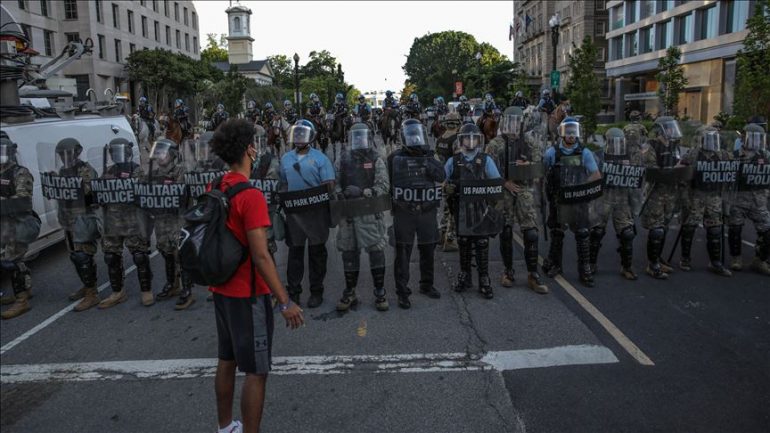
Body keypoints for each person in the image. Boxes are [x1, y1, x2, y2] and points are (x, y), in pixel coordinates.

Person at [207, 118, 304, 433]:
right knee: (256, 372)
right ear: (250, 150)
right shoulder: (251, 196)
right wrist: (285, 301)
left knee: (226, 359)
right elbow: (261, 256)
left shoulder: (217, 185)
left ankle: (225, 427)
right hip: (248, 295)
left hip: (221, 290)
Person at [485, 107, 549, 293]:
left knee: (531, 233)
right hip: (503, 191)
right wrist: (504, 182)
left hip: (524, 189)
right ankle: (508, 271)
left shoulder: (529, 142)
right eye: (510, 121)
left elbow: (540, 166)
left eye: (516, 122)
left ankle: (533, 274)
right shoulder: (495, 144)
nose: (513, 126)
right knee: (505, 231)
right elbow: (487, 169)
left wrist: (528, 165)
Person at [388, 119, 446, 308]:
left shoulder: (430, 156)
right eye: (411, 136)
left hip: (427, 209)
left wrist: (428, 161)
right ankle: (402, 291)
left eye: (417, 136)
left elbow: (441, 176)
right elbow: (388, 183)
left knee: (428, 248)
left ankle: (426, 284)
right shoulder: (394, 157)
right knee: (403, 252)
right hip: (404, 211)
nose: (415, 140)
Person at [334, 123, 390, 312]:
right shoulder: (342, 159)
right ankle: (350, 291)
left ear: (368, 138)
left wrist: (363, 192)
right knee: (349, 253)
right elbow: (334, 182)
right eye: (355, 137)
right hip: (348, 214)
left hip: (370, 213)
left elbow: (383, 186)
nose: (359, 140)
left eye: (362, 136)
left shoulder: (376, 159)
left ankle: (380, 291)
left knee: (376, 251)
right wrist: (340, 193)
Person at [279, 119, 336, 308]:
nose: (299, 137)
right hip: (294, 214)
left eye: (302, 134)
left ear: (311, 137)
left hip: (316, 213)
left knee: (316, 253)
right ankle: (294, 292)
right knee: (295, 254)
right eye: (296, 134)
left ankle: (316, 291)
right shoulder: (286, 159)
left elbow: (329, 185)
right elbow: (283, 183)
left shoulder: (321, 159)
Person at [542, 117, 602, 287]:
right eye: (567, 131)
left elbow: (595, 175)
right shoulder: (552, 153)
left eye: (573, 132)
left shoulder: (585, 153)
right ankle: (555, 264)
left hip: (578, 201)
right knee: (557, 233)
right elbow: (544, 173)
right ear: (562, 133)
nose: (571, 135)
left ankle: (585, 270)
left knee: (582, 233)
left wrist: (581, 188)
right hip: (559, 201)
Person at [96, 138, 155, 309]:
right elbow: (98, 196)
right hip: (112, 221)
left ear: (128, 153)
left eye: (119, 152)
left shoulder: (136, 171)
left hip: (132, 220)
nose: (117, 155)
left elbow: (144, 195)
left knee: (140, 256)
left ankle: (146, 290)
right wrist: (101, 184)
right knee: (111, 256)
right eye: (114, 152)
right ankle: (117, 292)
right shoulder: (107, 171)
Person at [445, 123, 502, 299]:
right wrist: (447, 188)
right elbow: (442, 182)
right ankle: (465, 275)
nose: (470, 141)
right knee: (463, 242)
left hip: (480, 209)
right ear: (460, 140)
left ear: (479, 140)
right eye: (467, 138)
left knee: (482, 242)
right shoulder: (453, 161)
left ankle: (484, 278)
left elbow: (496, 182)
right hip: (461, 209)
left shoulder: (486, 160)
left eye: (474, 138)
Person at [52, 138, 102, 311]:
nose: (63, 157)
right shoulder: (63, 170)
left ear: (77, 152)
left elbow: (88, 192)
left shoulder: (85, 169)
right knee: (75, 256)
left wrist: (70, 185)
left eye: (66, 153)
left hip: (83, 218)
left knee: (83, 256)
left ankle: (92, 294)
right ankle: (87, 285)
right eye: (61, 154)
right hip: (68, 219)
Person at [677, 126, 733, 276]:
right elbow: (681, 172)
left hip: (714, 196)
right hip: (696, 196)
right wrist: (684, 197)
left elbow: (731, 174)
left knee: (715, 229)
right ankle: (685, 258)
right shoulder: (693, 154)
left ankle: (715, 262)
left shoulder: (723, 155)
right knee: (689, 227)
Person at [589, 128, 642, 281]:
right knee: (596, 232)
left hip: (622, 198)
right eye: (612, 141)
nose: (615, 144)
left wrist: (635, 203)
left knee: (627, 233)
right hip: (603, 197)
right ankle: (591, 264)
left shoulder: (628, 157)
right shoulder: (599, 156)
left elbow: (636, 180)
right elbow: (591, 175)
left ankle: (627, 266)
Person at [641, 116, 687, 279]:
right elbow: (652, 172)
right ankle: (652, 265)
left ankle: (658, 259)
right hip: (656, 194)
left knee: (664, 227)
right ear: (660, 130)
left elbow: (679, 164)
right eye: (668, 127)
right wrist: (675, 169)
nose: (671, 130)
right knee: (657, 229)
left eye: (672, 127)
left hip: (671, 193)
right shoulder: (651, 146)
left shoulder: (674, 146)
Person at [0, 135, 41, 319]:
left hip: (19, 224)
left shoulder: (20, 173)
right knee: (13, 259)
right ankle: (26, 289)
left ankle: (22, 300)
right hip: (4, 225)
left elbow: (22, 202)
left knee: (12, 261)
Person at [144, 139, 188, 302]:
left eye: (164, 153)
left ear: (173, 155)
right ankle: (172, 284)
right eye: (158, 152)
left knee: (180, 253)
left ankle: (186, 288)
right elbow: (143, 192)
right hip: (160, 220)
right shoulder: (152, 173)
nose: (160, 156)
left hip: (176, 219)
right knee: (165, 251)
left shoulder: (180, 171)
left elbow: (182, 193)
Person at [728, 122, 770, 274]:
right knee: (735, 229)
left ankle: (760, 260)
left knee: (767, 230)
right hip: (739, 199)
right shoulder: (735, 156)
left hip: (759, 201)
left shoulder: (766, 155)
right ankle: (736, 258)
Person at [436, 113, 462, 252]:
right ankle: (450, 240)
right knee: (454, 210)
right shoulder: (456, 139)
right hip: (453, 179)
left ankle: (441, 234)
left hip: (442, 178)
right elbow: (458, 160)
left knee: (447, 208)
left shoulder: (440, 139)